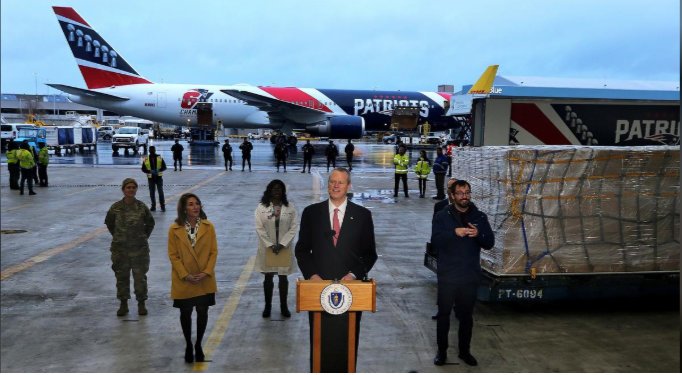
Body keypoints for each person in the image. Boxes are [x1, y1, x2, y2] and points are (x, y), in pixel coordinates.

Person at [295, 168, 378, 372]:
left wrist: (354, 275)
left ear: (349, 186)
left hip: (351, 292)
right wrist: (312, 276)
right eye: (332, 181)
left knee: (347, 342)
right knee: (320, 342)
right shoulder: (311, 213)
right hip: (318, 291)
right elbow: (302, 250)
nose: (335, 186)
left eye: (340, 182)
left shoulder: (362, 215)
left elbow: (369, 254)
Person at [431, 181, 494, 367]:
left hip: (469, 276)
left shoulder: (480, 217)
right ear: (453, 196)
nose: (464, 196)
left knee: (466, 317)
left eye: (467, 193)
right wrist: (454, 232)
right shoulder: (443, 216)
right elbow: (435, 241)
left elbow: (489, 242)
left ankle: (465, 351)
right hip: (448, 276)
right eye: (460, 193)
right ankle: (441, 352)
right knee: (443, 315)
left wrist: (478, 235)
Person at [167, 193, 218, 363]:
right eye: (190, 204)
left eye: (197, 204)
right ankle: (189, 344)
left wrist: (206, 272)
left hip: (204, 277)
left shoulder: (209, 227)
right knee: (186, 312)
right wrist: (185, 275)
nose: (195, 207)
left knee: (203, 311)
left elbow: (213, 252)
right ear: (183, 208)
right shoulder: (174, 229)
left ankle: (198, 344)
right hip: (185, 278)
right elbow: (173, 255)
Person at [104, 178, 155, 317]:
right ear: (123, 189)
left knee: (140, 277)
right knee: (121, 277)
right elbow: (109, 223)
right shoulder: (115, 207)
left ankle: (141, 303)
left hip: (139, 250)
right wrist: (118, 236)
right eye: (128, 187)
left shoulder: (141, 207)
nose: (131, 190)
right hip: (120, 250)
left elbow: (150, 223)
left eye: (133, 187)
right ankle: (123, 304)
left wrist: (143, 237)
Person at [255, 180, 298, 318]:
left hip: (283, 247)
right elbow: (259, 228)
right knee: (268, 277)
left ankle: (283, 307)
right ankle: (267, 306)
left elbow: (293, 227)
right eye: (274, 189)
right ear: (269, 191)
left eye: (279, 189)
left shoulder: (290, 208)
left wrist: (282, 243)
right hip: (268, 247)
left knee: (283, 277)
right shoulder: (261, 207)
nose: (277, 191)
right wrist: (270, 244)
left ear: (283, 191)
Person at [431, 177, 458, 320]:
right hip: (444, 251)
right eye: (449, 188)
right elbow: (435, 230)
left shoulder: (468, 207)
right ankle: (442, 309)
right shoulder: (440, 206)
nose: (452, 191)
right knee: (442, 282)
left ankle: (458, 308)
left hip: (461, 252)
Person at [141, 145, 167, 211]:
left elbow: (164, 167)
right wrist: (149, 171)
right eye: (151, 150)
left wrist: (159, 170)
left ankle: (162, 205)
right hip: (151, 178)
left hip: (158, 177)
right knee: (152, 192)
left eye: (153, 150)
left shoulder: (159, 158)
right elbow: (143, 169)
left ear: (154, 151)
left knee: (160, 192)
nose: (152, 151)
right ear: (149, 151)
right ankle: (153, 205)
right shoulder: (146, 159)